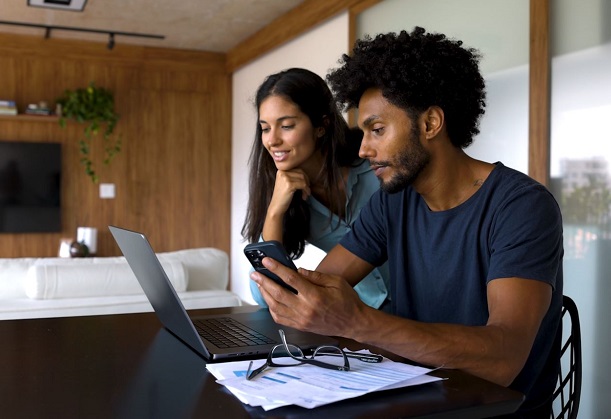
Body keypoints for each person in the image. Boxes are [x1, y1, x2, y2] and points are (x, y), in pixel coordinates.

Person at [250, 28, 563, 418]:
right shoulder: (392, 203)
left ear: (431, 123)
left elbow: (503, 359)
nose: (363, 148)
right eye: (363, 132)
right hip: (415, 400)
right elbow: (312, 295)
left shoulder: (521, 206)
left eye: (377, 130)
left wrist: (359, 320)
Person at [242, 67, 390, 310]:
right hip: (360, 317)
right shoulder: (286, 197)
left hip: (421, 309)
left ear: (321, 125)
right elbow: (263, 295)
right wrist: (274, 212)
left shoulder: (375, 167)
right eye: (265, 128)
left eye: (286, 126)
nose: (272, 140)